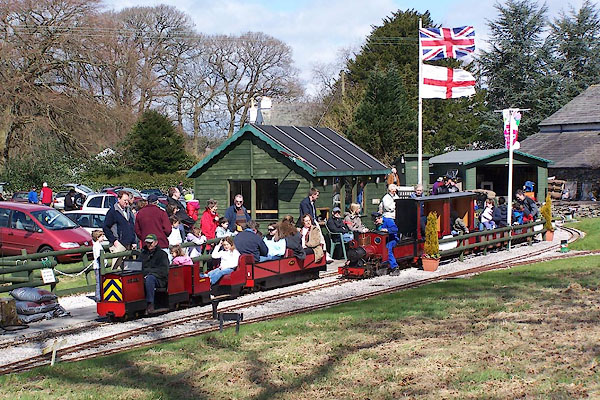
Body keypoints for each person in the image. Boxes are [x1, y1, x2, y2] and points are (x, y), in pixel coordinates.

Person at [103, 190, 137, 269]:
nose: (126, 202)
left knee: (127, 268)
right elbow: (106, 227)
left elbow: (132, 227)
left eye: (127, 200)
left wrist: (133, 241)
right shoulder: (112, 212)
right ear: (119, 199)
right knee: (116, 267)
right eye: (124, 200)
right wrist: (114, 240)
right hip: (119, 243)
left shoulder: (128, 211)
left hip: (128, 243)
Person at [141, 234, 169, 314]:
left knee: (150, 279)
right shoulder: (143, 254)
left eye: (151, 243)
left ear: (156, 242)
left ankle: (150, 303)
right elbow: (139, 265)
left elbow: (164, 270)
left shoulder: (162, 254)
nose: (149, 245)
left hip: (159, 279)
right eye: (147, 243)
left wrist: (149, 272)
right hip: (144, 275)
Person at [91, 230, 106, 302]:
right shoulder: (96, 246)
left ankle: (101, 295)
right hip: (98, 266)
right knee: (99, 281)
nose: (103, 238)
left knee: (101, 281)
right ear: (97, 237)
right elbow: (98, 256)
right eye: (102, 236)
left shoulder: (99, 245)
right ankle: (98, 296)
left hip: (100, 266)